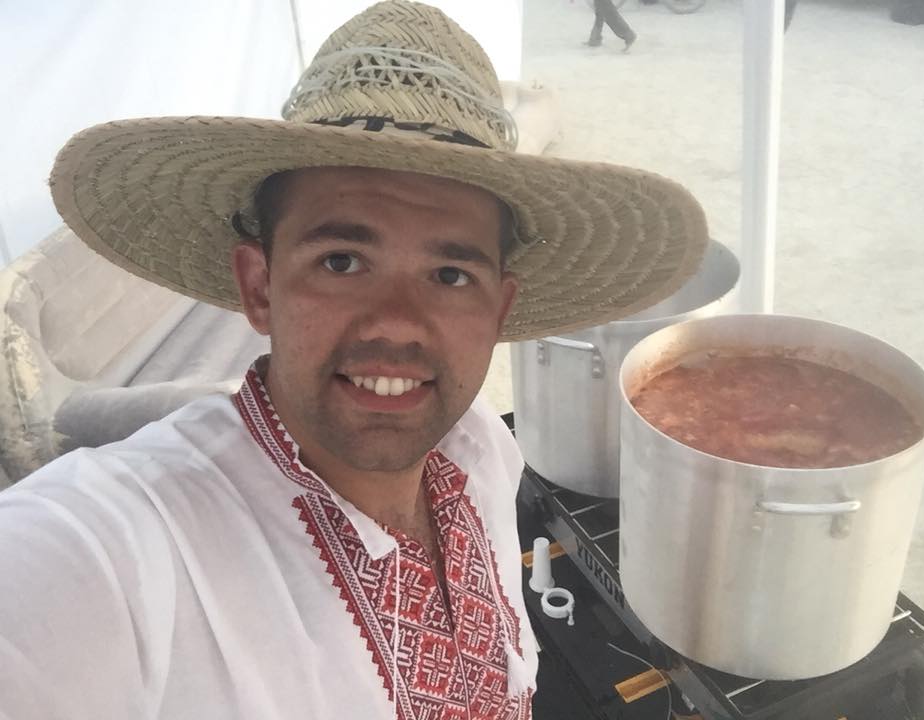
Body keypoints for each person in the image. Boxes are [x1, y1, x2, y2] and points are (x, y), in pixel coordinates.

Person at [0, 1, 707, 718]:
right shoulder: (118, 549)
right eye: (341, 261)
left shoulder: (482, 452)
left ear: (498, 312)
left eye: (451, 275)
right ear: (259, 287)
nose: (396, 322)